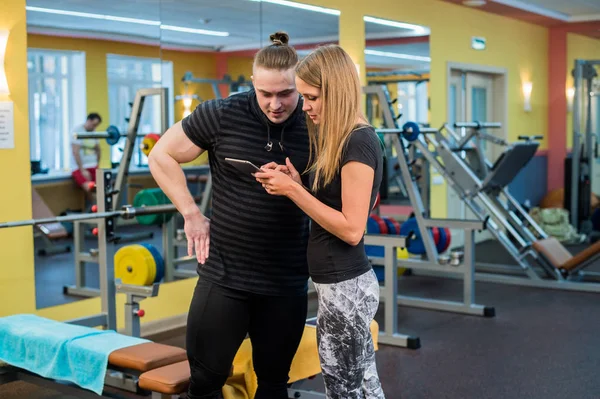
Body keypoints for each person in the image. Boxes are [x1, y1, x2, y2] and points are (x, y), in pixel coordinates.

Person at [148, 32, 311, 399]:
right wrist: (191, 213)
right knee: (205, 382)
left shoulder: (315, 122)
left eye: (285, 93)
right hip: (225, 277)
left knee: (272, 384)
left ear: (299, 84)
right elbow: (161, 155)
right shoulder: (222, 113)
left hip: (286, 281)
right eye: (265, 93)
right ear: (252, 83)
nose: (274, 104)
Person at [255, 44, 385, 399]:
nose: (305, 106)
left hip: (346, 288)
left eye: (311, 97)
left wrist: (294, 193)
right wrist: (296, 185)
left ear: (336, 91)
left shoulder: (358, 143)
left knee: (345, 391)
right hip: (339, 285)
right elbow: (331, 208)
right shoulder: (343, 139)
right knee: (363, 388)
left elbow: (351, 228)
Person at [71, 112, 102, 200]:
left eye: (96, 125)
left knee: (100, 189)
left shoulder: (94, 132)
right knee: (90, 188)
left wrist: (97, 165)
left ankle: (100, 210)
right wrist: (82, 170)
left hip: (93, 165)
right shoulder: (77, 131)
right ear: (88, 120)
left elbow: (98, 149)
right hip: (80, 167)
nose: (94, 127)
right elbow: (75, 152)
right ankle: (97, 209)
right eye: (93, 124)